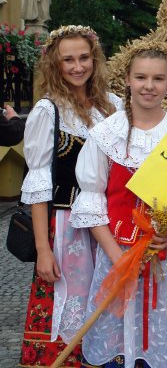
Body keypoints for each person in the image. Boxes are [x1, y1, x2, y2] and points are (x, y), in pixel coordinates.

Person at [70, 41, 167, 368]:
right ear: (127, 78)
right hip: (118, 258)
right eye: (141, 78)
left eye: (157, 79)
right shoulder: (107, 134)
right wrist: (118, 259)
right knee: (121, 344)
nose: (149, 86)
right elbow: (92, 202)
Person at [18, 25, 121, 367]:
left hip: (111, 224)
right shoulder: (49, 111)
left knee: (110, 308)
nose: (77, 66)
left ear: (95, 58)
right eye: (68, 60)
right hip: (67, 229)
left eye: (84, 57)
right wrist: (43, 251)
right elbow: (37, 186)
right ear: (55, 64)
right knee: (69, 310)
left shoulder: (113, 106)